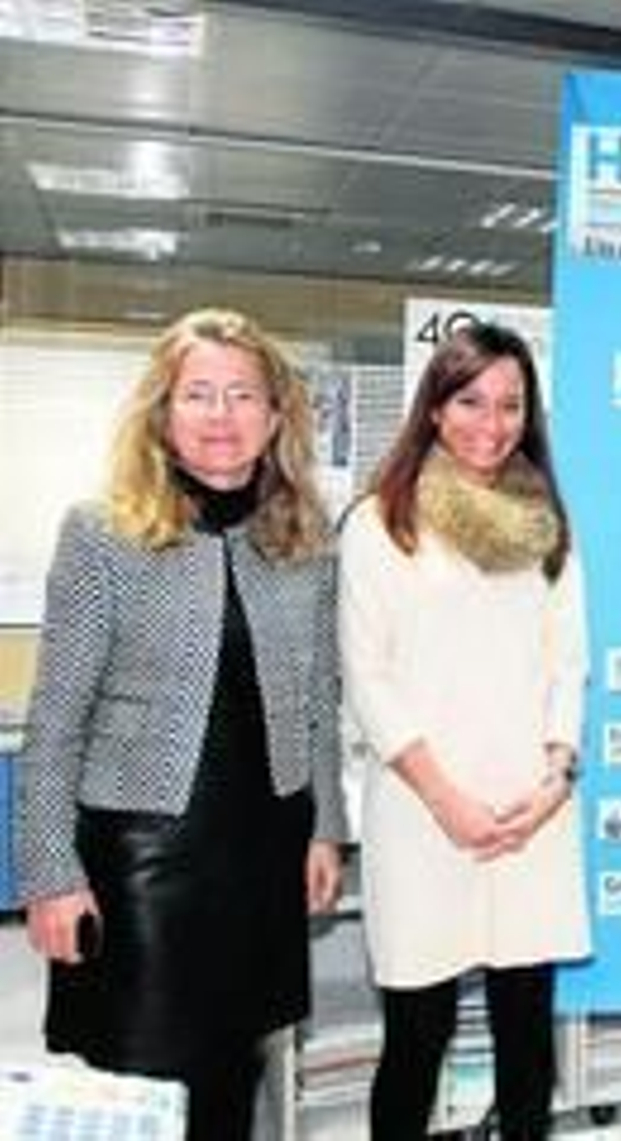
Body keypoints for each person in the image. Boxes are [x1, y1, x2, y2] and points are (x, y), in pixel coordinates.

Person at [14, 307, 348, 1140]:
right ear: (162, 411)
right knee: (148, 1080)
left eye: (243, 394)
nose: (221, 414)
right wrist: (50, 873)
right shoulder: (102, 533)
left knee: (235, 1072)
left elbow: (318, 699)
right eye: (197, 393)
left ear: (276, 414)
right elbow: (56, 718)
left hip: (263, 848)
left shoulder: (304, 540)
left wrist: (325, 831)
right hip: (144, 860)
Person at [340, 322, 589, 1141]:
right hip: (423, 813)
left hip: (529, 815)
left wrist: (556, 776)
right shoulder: (381, 522)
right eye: (472, 401)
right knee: (418, 1035)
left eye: (511, 404)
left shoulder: (545, 522)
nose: (493, 422)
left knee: (526, 1035)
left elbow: (568, 661)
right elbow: (368, 677)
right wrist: (446, 799)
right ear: (435, 408)